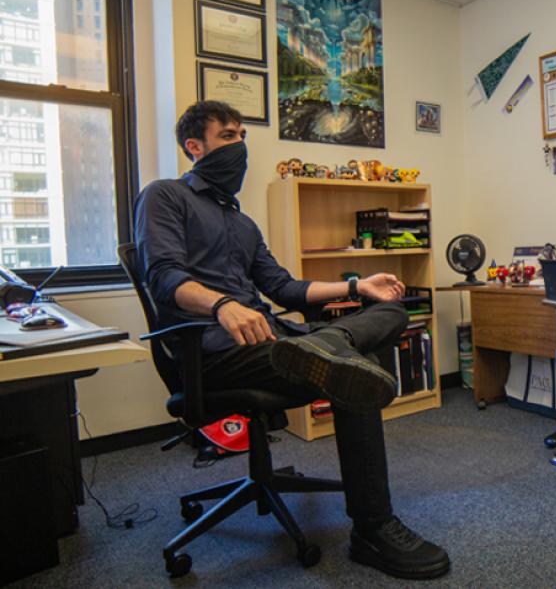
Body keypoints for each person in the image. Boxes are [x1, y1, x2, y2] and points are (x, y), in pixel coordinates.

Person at [134, 101, 450, 580]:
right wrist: (223, 305)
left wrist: (355, 286)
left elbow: (284, 288)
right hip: (214, 355)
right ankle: (373, 526)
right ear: (194, 147)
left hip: (278, 344)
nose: (240, 145)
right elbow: (163, 277)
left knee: (386, 309)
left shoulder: (242, 224)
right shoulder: (164, 197)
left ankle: (329, 346)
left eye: (244, 135)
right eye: (228, 136)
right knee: (357, 361)